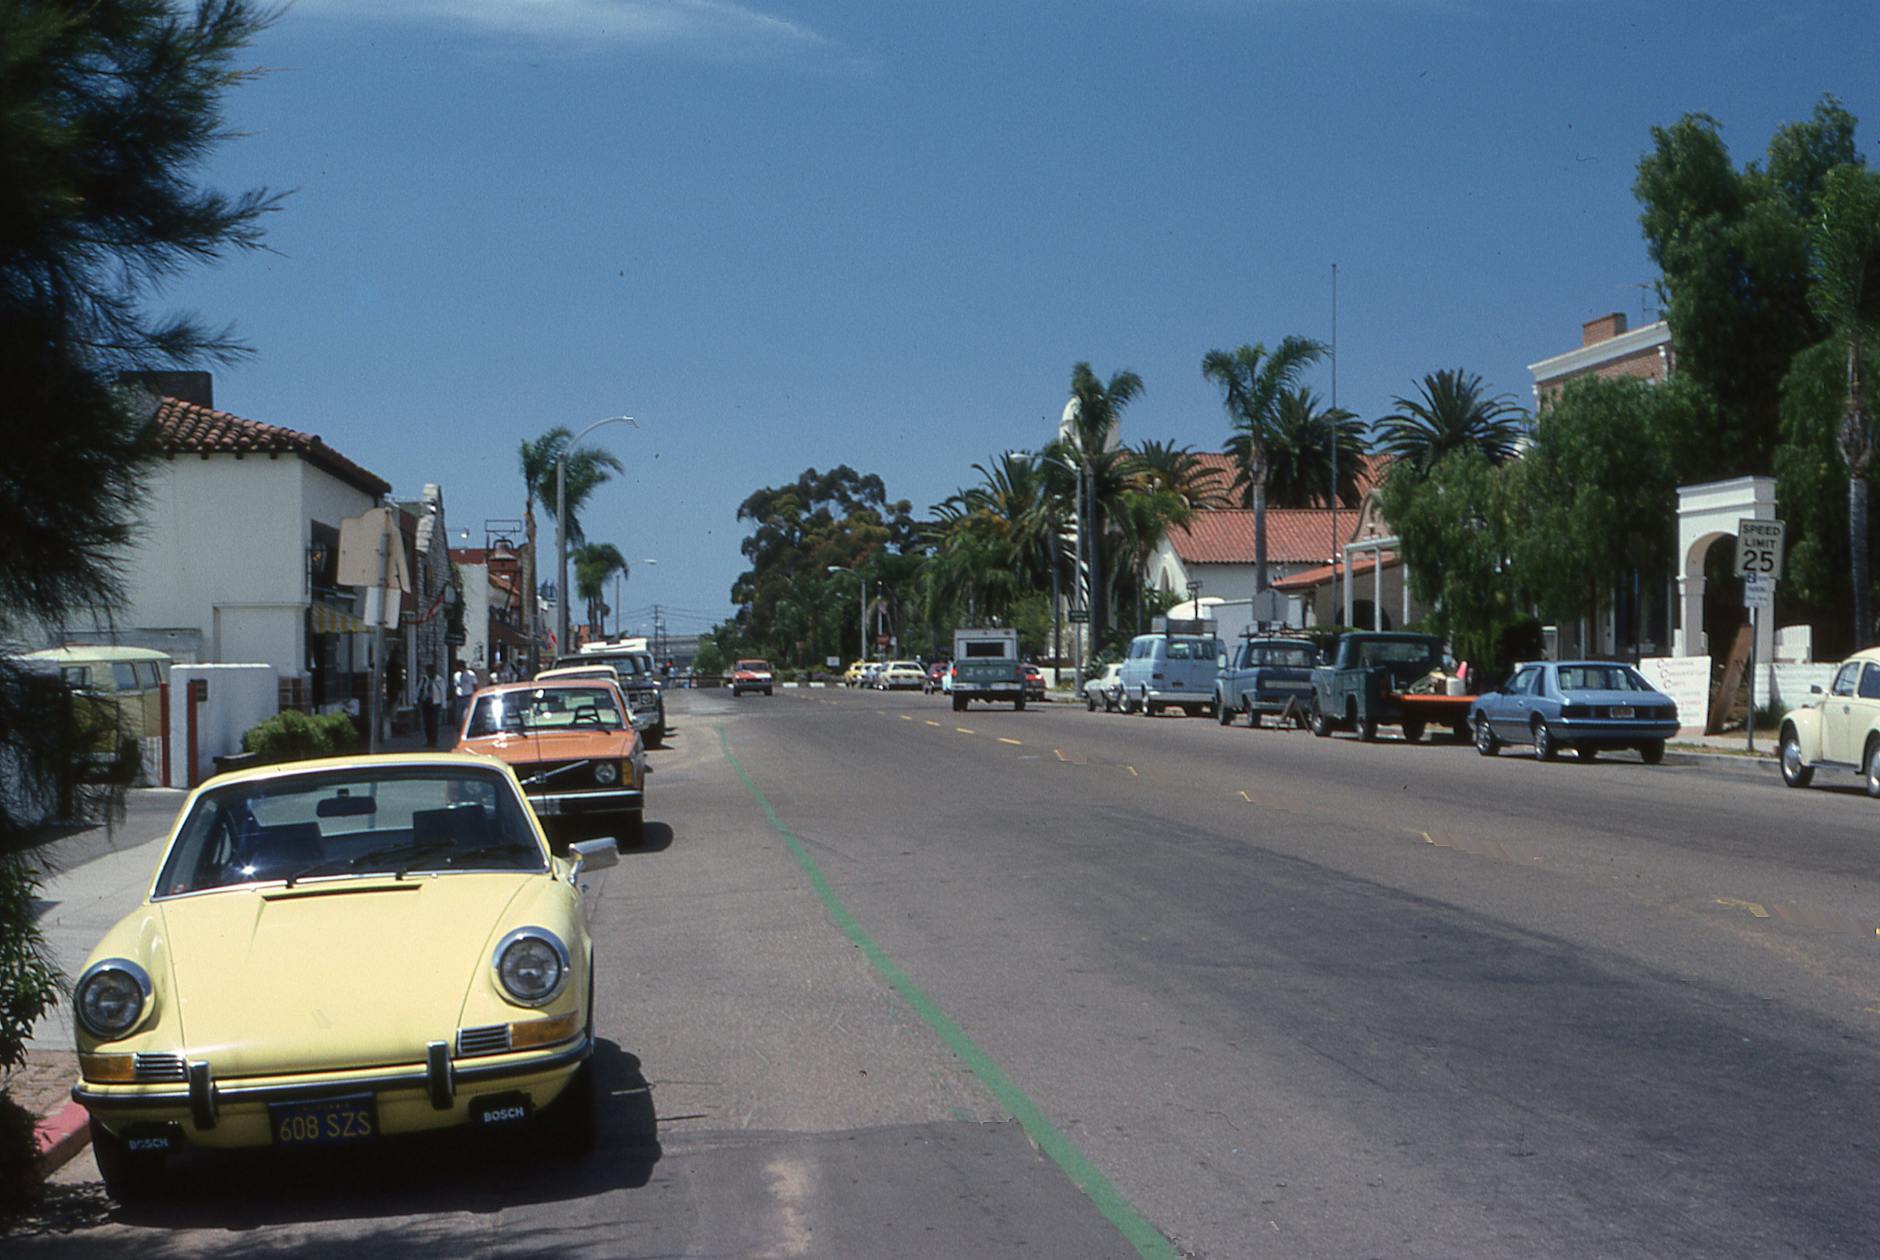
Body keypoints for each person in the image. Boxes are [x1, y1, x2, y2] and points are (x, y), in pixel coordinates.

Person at [420, 667, 445, 747]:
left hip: (435, 703)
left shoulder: (439, 680)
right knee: (427, 723)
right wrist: (416, 700)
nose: (429, 674)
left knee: (434, 723)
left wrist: (443, 705)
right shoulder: (424, 679)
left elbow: (443, 692)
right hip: (426, 703)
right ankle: (428, 740)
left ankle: (434, 741)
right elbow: (419, 689)